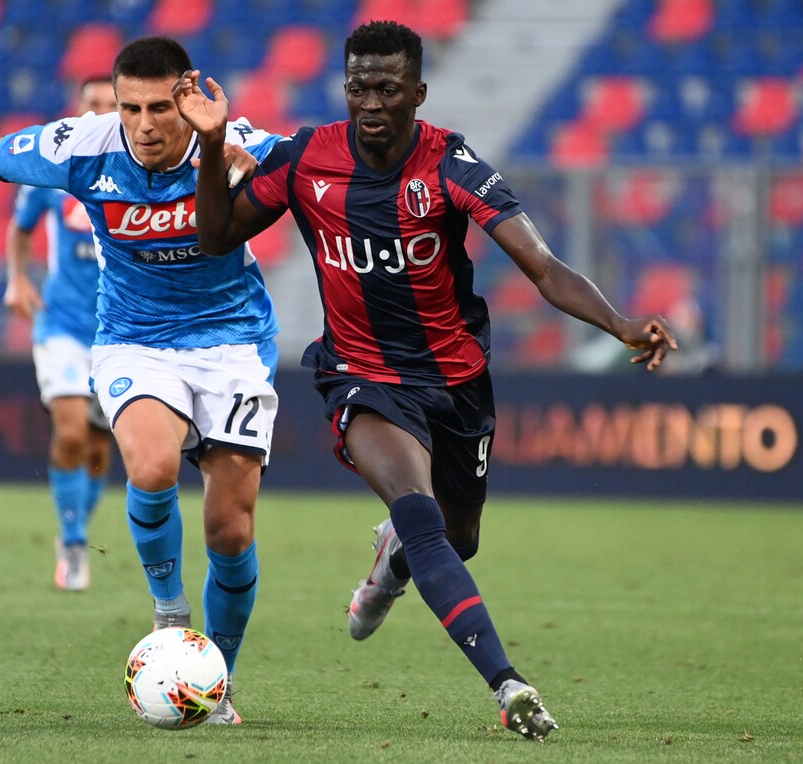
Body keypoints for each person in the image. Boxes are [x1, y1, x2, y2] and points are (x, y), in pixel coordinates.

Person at [179, 20, 678, 741]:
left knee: (456, 536)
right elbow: (215, 235)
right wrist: (209, 144)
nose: (370, 103)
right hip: (362, 375)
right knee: (419, 513)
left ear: (417, 91)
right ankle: (509, 685)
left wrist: (620, 323)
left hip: (455, 380)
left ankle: (393, 563)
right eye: (358, 88)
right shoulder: (306, 158)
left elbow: (543, 268)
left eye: (387, 89)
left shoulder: (452, 165)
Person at [0, 36, 283, 725]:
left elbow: (325, 170)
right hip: (134, 339)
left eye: (160, 108)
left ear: (188, 94)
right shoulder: (84, 143)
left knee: (229, 530)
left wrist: (264, 169)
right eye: (131, 108)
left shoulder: (238, 140)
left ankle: (216, 678)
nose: (143, 125)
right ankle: (170, 617)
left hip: (233, 343)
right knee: (152, 465)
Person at [3, 76, 118, 592]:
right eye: (93, 103)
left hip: (118, 331)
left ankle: (77, 527)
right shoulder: (52, 170)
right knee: (71, 433)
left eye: (111, 103)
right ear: (78, 109)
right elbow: (21, 227)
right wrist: (17, 278)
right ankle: (72, 543)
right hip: (62, 323)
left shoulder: (142, 168)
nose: (101, 110)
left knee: (97, 448)